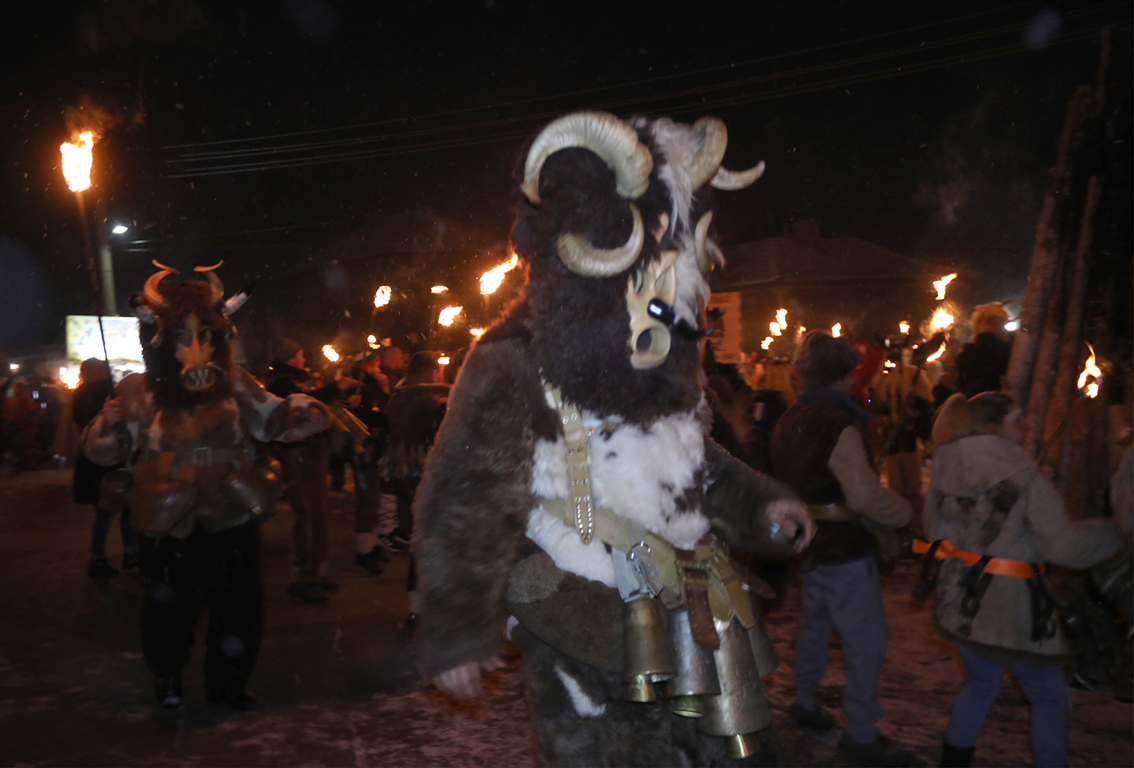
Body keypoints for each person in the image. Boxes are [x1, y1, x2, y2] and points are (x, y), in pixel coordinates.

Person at [415, 111, 814, 766]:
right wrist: (460, 627)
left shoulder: (665, 357)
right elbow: (467, 497)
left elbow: (689, 464)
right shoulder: (514, 357)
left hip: (691, 616)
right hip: (579, 620)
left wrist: (761, 506)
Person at [81, 264, 330, 711]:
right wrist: (110, 423)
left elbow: (272, 417)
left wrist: (303, 411)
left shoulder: (235, 383)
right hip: (167, 518)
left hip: (230, 512)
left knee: (239, 607)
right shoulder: (137, 390)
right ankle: (167, 676)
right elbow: (103, 453)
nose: (193, 349)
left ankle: (228, 682)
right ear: (158, 338)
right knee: (169, 609)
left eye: (203, 335)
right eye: (181, 337)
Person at [925, 392, 1122, 767]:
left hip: (960, 602)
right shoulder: (1024, 477)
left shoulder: (944, 468)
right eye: (1019, 419)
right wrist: (1114, 532)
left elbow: (937, 532)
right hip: (1011, 611)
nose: (1029, 425)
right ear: (992, 428)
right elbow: (1065, 546)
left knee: (980, 685)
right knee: (1049, 695)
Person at [770, 331, 914, 766]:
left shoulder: (789, 417)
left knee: (815, 626)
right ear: (845, 376)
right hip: (844, 549)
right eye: (853, 373)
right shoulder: (837, 422)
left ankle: (805, 702)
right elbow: (865, 497)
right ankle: (863, 734)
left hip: (807, 546)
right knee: (864, 640)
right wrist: (904, 512)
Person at [266, 337, 341, 604]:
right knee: (307, 514)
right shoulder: (281, 383)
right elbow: (304, 405)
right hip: (296, 455)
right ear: (288, 358)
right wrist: (333, 389)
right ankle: (302, 577)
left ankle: (318, 570)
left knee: (320, 511)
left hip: (314, 455)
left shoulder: (302, 379)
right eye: (299, 354)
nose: (304, 359)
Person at [379, 351, 449, 616]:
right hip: (428, 471)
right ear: (433, 374)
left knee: (417, 536)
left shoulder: (398, 394)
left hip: (401, 471)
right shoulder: (434, 397)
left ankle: (415, 605)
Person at [71, 358, 137, 578]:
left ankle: (99, 558)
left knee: (103, 514)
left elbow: (78, 421)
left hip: (90, 462)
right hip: (112, 460)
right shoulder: (106, 392)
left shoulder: (79, 394)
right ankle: (128, 555)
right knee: (121, 511)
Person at [955, 303, 1013, 398]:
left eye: (1000, 319)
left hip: (982, 404)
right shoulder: (1013, 345)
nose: (996, 323)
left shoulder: (972, 351)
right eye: (991, 320)